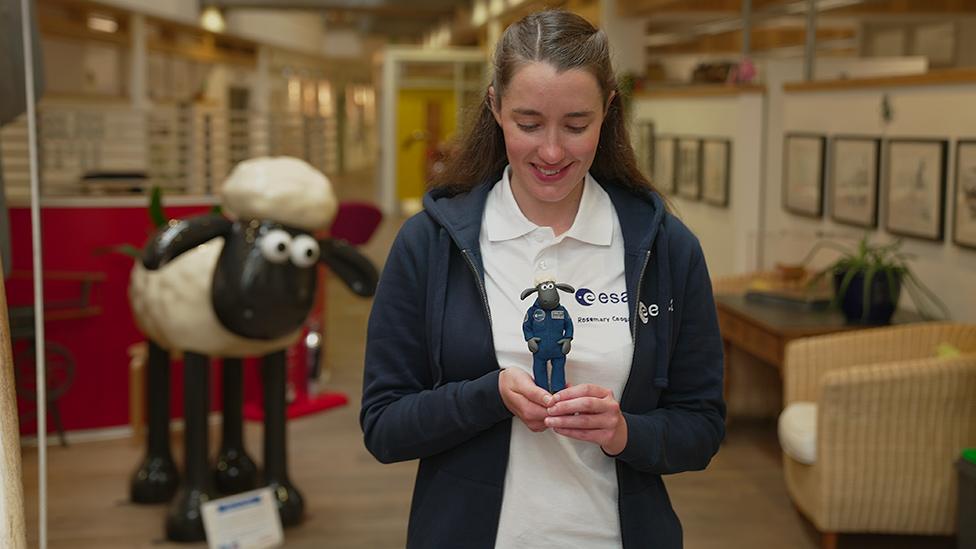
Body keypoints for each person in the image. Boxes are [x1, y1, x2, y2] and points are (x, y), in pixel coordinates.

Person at [361, 9, 725, 549]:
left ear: (609, 112)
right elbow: (384, 427)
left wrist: (625, 432)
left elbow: (701, 426)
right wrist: (489, 395)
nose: (552, 151)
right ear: (494, 107)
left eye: (577, 126)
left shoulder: (667, 249)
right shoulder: (429, 244)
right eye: (528, 124)